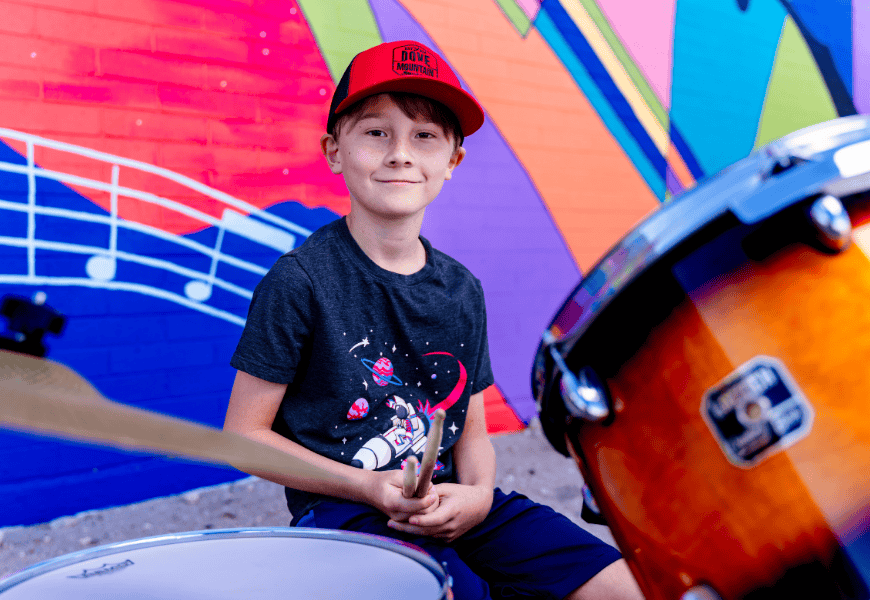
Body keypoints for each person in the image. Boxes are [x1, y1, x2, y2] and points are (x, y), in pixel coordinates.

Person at [223, 39, 643, 600]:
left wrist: (480, 495)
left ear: (452, 161)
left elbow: (471, 431)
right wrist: (371, 487)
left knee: (624, 586)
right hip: (346, 512)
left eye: (425, 136)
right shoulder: (299, 282)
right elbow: (242, 438)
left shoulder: (461, 289)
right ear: (334, 151)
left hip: (449, 500)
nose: (400, 153)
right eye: (376, 132)